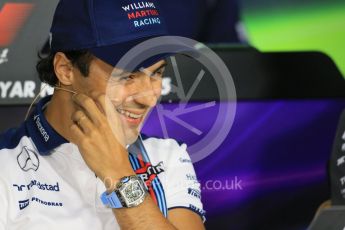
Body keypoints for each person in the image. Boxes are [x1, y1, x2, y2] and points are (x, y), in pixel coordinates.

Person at [0, 0, 205, 229]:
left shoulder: (167, 157)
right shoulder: (5, 164)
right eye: (127, 76)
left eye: (157, 73)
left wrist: (119, 176)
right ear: (66, 70)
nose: (149, 98)